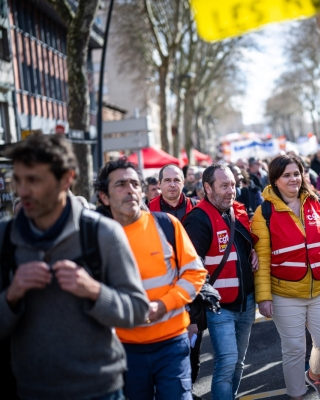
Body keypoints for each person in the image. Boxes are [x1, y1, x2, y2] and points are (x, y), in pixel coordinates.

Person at [0, 134, 149, 400]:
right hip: (30, 392)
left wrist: (94, 291)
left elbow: (137, 311)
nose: (23, 191)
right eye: (19, 180)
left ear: (67, 178)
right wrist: (12, 295)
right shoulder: (4, 239)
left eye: (34, 180)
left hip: (101, 390)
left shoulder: (103, 233)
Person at [95, 158, 206, 400]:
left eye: (135, 183)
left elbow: (195, 273)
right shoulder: (95, 238)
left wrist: (163, 305)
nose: (130, 190)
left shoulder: (166, 225)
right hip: (125, 350)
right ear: (104, 197)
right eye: (121, 184)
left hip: (172, 344)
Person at [252, 154, 320, 400]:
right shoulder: (264, 212)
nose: (293, 179)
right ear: (274, 179)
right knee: (294, 349)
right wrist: (263, 297)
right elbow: (260, 258)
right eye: (287, 175)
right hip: (285, 294)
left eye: (297, 173)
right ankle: (297, 395)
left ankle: (315, 375)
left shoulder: (318, 201)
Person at [183, 164, 258, 400]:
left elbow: (240, 246)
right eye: (224, 185)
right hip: (219, 308)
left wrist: (252, 249)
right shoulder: (197, 219)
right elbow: (190, 268)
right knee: (227, 364)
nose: (231, 191)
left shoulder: (236, 210)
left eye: (233, 185)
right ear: (207, 187)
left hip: (246, 302)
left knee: (238, 363)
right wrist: (193, 317)